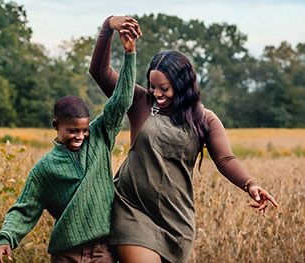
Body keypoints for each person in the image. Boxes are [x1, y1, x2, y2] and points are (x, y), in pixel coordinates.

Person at [89, 16, 279, 263]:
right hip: (131, 211)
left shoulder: (205, 119)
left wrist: (250, 184)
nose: (156, 93)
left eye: (164, 88)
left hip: (176, 219)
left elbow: (225, 158)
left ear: (183, 84)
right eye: (152, 85)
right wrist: (108, 26)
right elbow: (99, 71)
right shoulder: (139, 102)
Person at [0, 28, 138, 263]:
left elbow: (121, 101)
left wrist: (130, 54)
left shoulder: (100, 136)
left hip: (102, 252)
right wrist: (5, 239)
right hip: (65, 255)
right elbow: (24, 209)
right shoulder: (45, 168)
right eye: (72, 131)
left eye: (83, 130)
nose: (80, 136)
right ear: (56, 126)